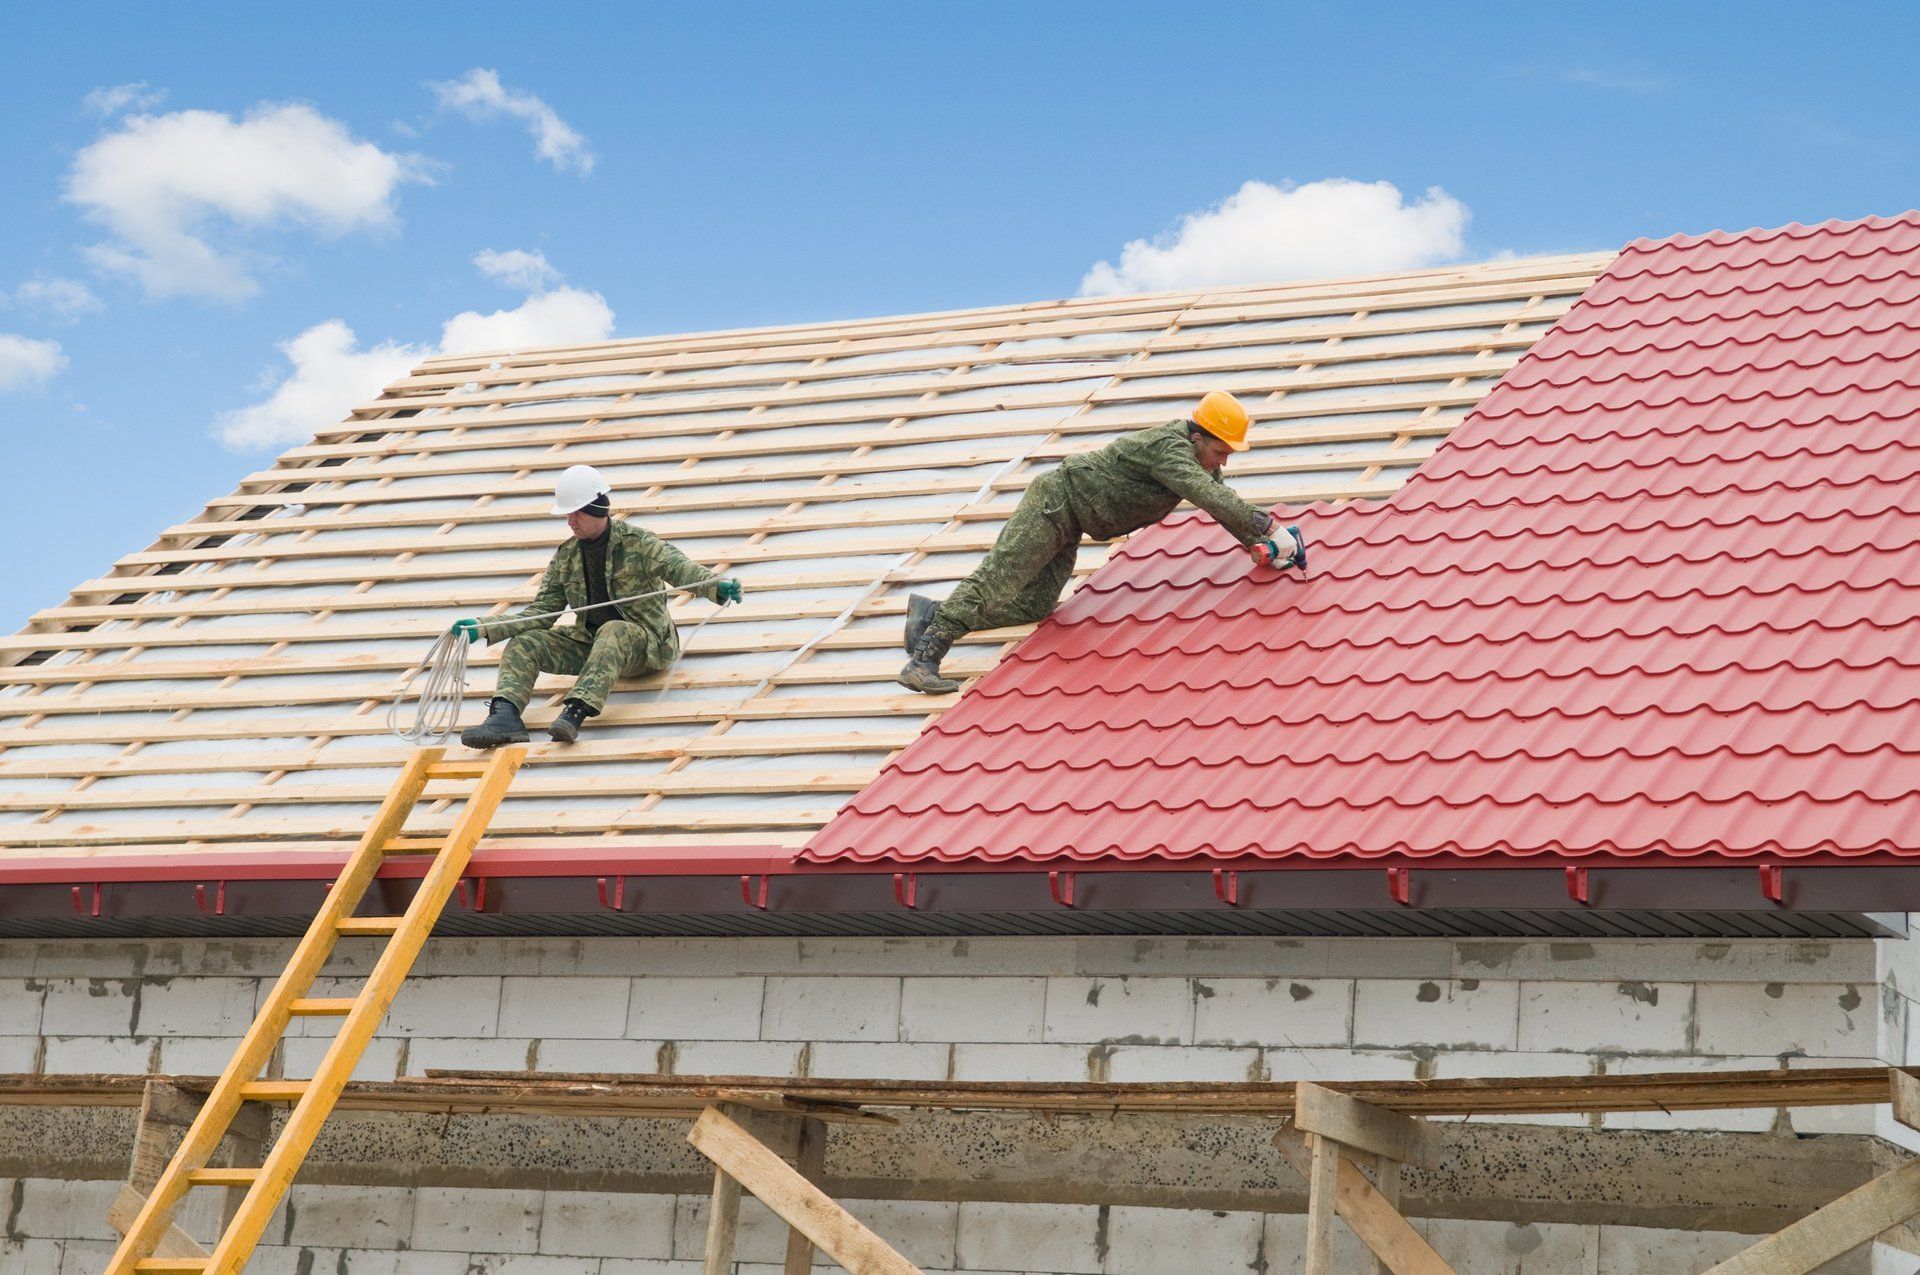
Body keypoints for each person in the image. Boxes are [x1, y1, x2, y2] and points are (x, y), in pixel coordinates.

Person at [899, 390, 1304, 694]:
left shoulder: (1197, 461)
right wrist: (1270, 529)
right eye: (1221, 451)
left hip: (1073, 518)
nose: (1224, 461)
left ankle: (930, 615)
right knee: (997, 582)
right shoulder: (1169, 450)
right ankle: (923, 661)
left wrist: (1267, 548)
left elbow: (1222, 505)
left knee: (1035, 605)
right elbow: (1212, 496)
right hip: (1055, 503)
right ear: (1198, 437)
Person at [454, 464, 743, 746]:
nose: (571, 520)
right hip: (592, 646)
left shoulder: (638, 544)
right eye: (568, 513)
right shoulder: (566, 557)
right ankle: (505, 715)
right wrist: (484, 627)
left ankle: (575, 711)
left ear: (597, 509)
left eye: (577, 512)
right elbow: (542, 612)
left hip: (645, 645)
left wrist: (716, 586)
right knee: (526, 642)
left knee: (613, 629)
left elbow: (681, 569)